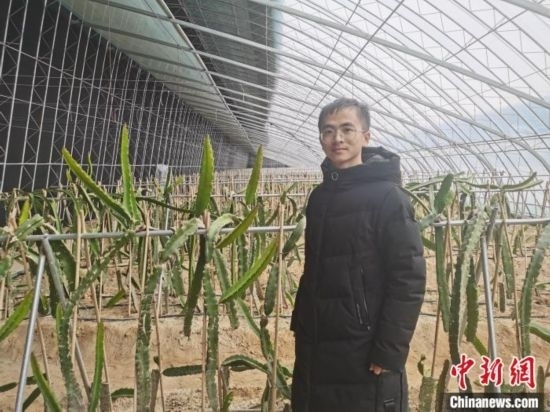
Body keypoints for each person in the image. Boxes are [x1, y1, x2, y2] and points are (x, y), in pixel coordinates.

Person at [290, 98, 426, 411]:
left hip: (363, 346)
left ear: (366, 136)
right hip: (316, 341)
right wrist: (303, 325)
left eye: (347, 129)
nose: (337, 138)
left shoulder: (389, 197)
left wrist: (389, 350)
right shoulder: (319, 198)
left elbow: (409, 277)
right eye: (328, 131)